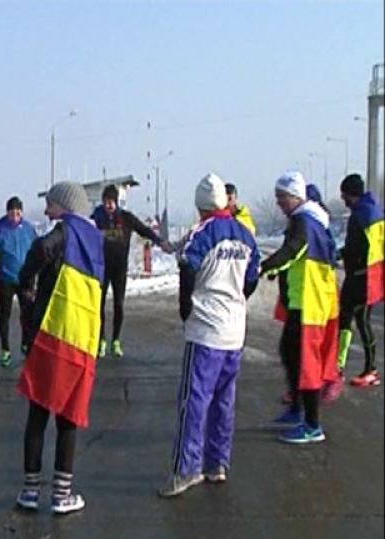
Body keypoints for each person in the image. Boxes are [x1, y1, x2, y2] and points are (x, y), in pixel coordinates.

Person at [158, 174, 260, 498]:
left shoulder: (202, 232)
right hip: (235, 330)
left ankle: (185, 470)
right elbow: (253, 277)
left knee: (194, 399)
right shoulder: (245, 234)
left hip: (206, 330)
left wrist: (185, 308)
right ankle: (217, 463)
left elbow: (187, 267)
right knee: (224, 399)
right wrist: (237, 297)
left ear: (201, 205)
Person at [14, 181, 103, 515]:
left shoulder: (65, 232)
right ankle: (62, 494)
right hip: (81, 336)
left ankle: (31, 490)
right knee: (67, 415)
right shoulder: (95, 239)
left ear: (65, 205)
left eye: (50, 202)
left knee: (38, 413)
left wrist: (26, 281)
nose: (46, 207)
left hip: (52, 333)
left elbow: (39, 250)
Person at [261, 171, 339, 444]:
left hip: (310, 302)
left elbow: (294, 249)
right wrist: (277, 271)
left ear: (295, 196)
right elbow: (297, 257)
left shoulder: (303, 220)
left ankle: (312, 425)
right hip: (305, 299)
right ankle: (297, 408)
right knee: (289, 352)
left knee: (306, 361)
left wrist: (263, 267)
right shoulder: (311, 219)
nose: (279, 203)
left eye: (282, 197)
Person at [91, 184, 170, 358]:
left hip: (119, 268)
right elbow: (83, 230)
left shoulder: (125, 218)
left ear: (117, 202)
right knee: (99, 305)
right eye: (106, 202)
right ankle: (101, 340)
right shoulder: (97, 217)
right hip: (101, 267)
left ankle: (116, 340)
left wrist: (160, 241)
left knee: (119, 304)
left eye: (111, 202)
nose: (108, 206)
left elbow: (144, 230)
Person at [337, 173, 383, 387]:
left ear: (351, 194)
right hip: (368, 275)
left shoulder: (362, 215)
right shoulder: (373, 211)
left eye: (344, 195)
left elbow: (359, 246)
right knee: (353, 318)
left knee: (357, 320)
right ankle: (344, 365)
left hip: (362, 277)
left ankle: (368, 369)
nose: (342, 199)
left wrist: (342, 254)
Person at [0, 196, 37, 366]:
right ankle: (5, 349)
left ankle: (26, 344)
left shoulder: (28, 229)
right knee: (5, 314)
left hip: (25, 277)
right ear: (7, 212)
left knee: (28, 314)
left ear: (22, 212)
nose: (15, 214)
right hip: (6, 277)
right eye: (12, 211)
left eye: (18, 211)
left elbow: (38, 248)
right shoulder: (1, 228)